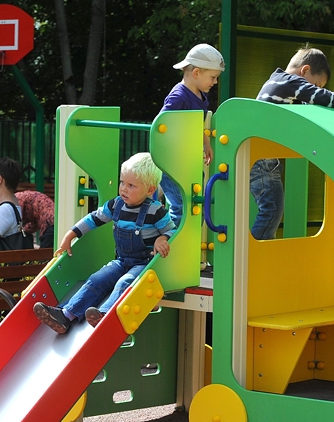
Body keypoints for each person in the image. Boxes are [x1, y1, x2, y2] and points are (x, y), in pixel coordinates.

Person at [34, 153, 173, 333]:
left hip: (144, 265)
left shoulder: (156, 211)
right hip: (121, 261)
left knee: (125, 282)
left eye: (131, 185)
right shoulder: (116, 205)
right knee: (97, 279)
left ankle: (105, 315)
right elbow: (94, 219)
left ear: (149, 189)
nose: (124, 189)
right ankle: (66, 315)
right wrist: (71, 235)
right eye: (122, 182)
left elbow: (173, 230)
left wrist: (163, 238)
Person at [251, 47, 334, 240]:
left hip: (264, 160)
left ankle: (260, 248)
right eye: (316, 84)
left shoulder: (279, 84)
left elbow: (309, 109)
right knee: (271, 209)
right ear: (305, 70)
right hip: (262, 162)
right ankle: (254, 252)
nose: (317, 89)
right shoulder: (290, 82)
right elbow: (321, 97)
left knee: (272, 208)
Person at [158, 43, 224, 225]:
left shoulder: (200, 96)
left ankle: (184, 239)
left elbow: (196, 124)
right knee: (181, 207)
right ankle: (171, 239)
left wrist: (205, 143)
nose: (215, 82)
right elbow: (161, 126)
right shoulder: (179, 97)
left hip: (187, 162)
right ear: (196, 73)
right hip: (172, 162)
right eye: (213, 77)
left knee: (194, 205)